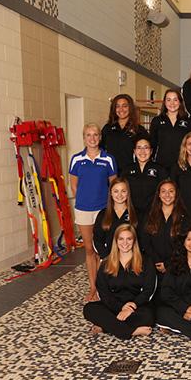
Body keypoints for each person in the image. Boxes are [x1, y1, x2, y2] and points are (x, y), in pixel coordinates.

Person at [69, 123, 117, 301]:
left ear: (100, 137)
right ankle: (93, 287)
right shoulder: (76, 159)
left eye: (95, 134)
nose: (92, 138)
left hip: (103, 211)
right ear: (84, 138)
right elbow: (74, 186)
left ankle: (105, 287)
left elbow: (114, 186)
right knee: (89, 249)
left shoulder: (108, 159)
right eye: (88, 135)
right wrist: (84, 200)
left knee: (103, 250)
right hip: (83, 210)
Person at [83, 224, 156, 339]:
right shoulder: (106, 263)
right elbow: (103, 292)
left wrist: (130, 308)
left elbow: (148, 291)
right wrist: (121, 308)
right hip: (114, 306)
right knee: (89, 309)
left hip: (137, 306)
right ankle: (132, 331)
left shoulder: (146, 262)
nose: (125, 243)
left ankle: (107, 326)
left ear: (134, 241)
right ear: (116, 241)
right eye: (121, 239)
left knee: (149, 316)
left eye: (129, 239)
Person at [141, 180, 187, 276]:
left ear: (176, 194)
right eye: (163, 191)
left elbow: (184, 245)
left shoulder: (184, 217)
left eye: (171, 191)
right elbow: (145, 243)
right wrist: (157, 261)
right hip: (153, 267)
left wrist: (168, 264)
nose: (167, 195)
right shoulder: (149, 216)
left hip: (177, 268)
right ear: (158, 194)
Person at [122, 134, 167, 221]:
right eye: (139, 148)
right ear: (134, 151)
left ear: (151, 151)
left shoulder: (160, 169)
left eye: (146, 147)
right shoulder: (127, 170)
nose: (142, 151)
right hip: (131, 214)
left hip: (154, 214)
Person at [149, 89, 191, 173]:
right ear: (164, 102)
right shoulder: (157, 121)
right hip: (162, 165)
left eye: (175, 100)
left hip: (183, 165)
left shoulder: (189, 121)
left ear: (180, 102)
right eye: (168, 100)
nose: (172, 103)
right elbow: (152, 144)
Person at [93, 178, 138, 260]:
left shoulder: (137, 214)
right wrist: (106, 257)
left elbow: (142, 239)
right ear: (111, 193)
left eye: (123, 191)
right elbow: (97, 239)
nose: (120, 195)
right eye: (116, 191)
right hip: (110, 258)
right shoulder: (103, 214)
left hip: (133, 258)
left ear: (128, 193)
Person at [101, 94, 145, 174]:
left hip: (131, 173)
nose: (121, 109)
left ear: (130, 108)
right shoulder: (107, 128)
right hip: (110, 173)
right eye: (117, 106)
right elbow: (100, 149)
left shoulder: (139, 130)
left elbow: (146, 151)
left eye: (125, 106)